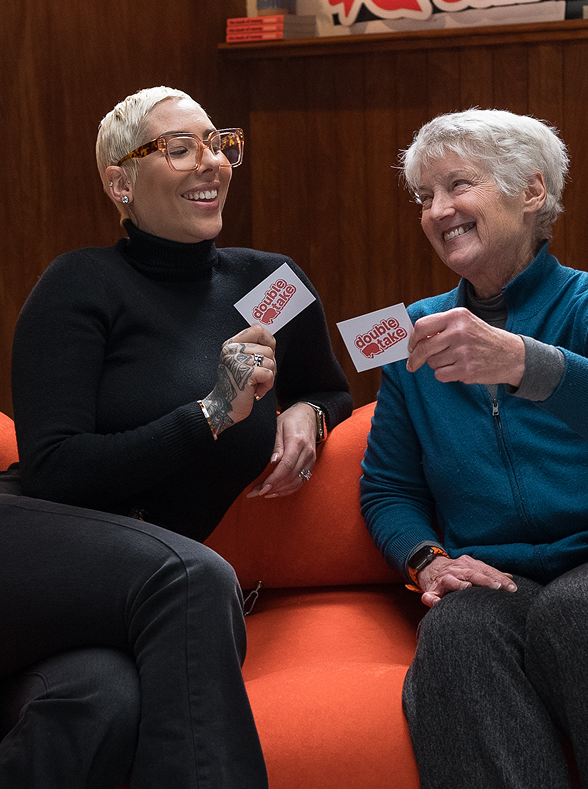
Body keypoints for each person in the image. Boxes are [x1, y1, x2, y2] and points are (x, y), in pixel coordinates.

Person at [3, 86, 352, 788]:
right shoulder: (80, 282)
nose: (211, 162)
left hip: (121, 595)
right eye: (180, 147)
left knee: (99, 702)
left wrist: (306, 414)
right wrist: (212, 412)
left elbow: (330, 386)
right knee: (192, 574)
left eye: (220, 143)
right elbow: (55, 469)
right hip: (32, 541)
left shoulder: (269, 280)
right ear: (120, 183)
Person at [360, 109, 588, 789]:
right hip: (499, 573)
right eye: (424, 197)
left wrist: (527, 363)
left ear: (530, 192)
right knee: (456, 633)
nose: (438, 211)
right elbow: (388, 488)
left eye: (456, 185)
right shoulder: (409, 331)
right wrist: (427, 561)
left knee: (581, 610)